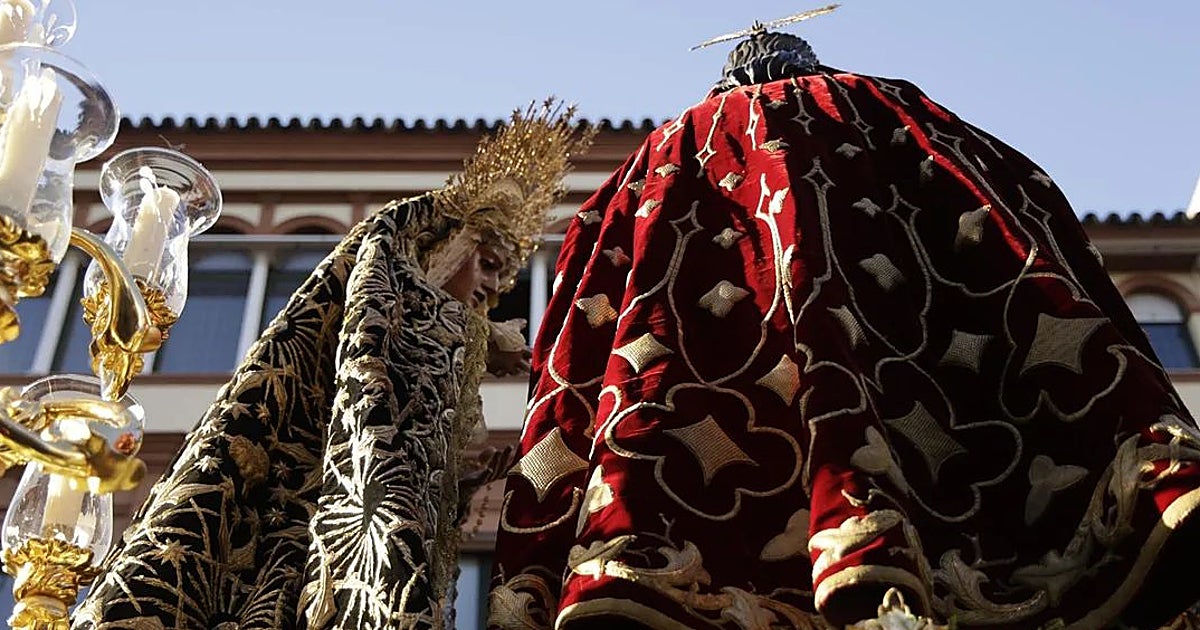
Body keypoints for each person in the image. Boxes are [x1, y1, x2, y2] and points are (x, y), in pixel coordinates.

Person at [487, 14, 1200, 630]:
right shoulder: (900, 113)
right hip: (926, 391)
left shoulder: (660, 161)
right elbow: (1015, 212)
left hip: (723, 414)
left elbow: (593, 313)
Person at [72, 100, 593, 630]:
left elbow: (386, 461)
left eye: (501, 282)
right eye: (485, 266)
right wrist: (481, 335)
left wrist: (453, 484)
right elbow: (373, 387)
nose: (488, 289)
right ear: (447, 247)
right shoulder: (386, 289)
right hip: (285, 529)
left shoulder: (418, 343)